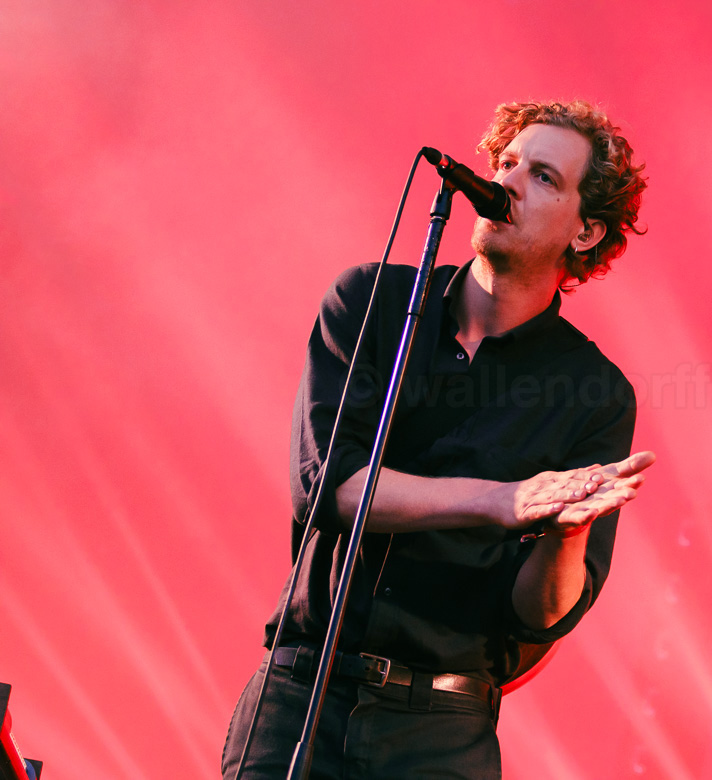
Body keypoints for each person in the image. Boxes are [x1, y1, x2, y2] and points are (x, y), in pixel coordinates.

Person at [221, 99, 654, 779]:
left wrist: (565, 536)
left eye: (542, 176)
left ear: (586, 231)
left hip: (442, 730)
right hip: (302, 697)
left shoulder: (594, 392)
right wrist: (501, 501)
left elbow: (539, 617)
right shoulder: (372, 302)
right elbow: (329, 489)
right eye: (506, 163)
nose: (507, 182)